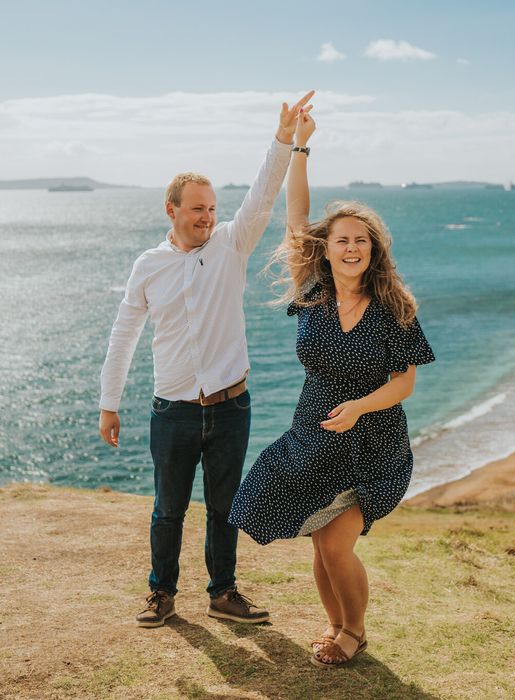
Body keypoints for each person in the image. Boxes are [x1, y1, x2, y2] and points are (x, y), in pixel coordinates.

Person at [98, 90, 314, 628]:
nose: (207, 217)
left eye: (212, 208)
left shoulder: (230, 246)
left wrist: (283, 139)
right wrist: (109, 404)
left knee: (224, 509)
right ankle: (161, 594)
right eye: (197, 209)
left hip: (229, 407)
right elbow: (123, 334)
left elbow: (262, 197)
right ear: (171, 210)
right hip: (171, 411)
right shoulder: (148, 266)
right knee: (167, 510)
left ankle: (223, 593)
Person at [228, 108, 435, 667]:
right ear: (327, 247)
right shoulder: (313, 288)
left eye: (361, 242)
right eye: (341, 240)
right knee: (319, 543)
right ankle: (336, 624)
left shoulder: (394, 307)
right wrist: (299, 147)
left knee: (337, 543)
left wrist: (360, 407)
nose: (351, 248)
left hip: (374, 442)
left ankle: (355, 632)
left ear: (374, 250)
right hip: (314, 436)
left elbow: (407, 382)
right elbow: (296, 214)